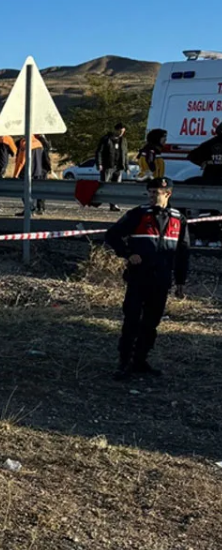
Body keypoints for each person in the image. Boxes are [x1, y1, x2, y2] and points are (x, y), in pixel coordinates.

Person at [104, 177, 189, 381]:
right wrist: (127, 253)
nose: (151, 196)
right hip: (139, 276)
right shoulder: (138, 214)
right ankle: (124, 363)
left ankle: (140, 361)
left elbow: (183, 252)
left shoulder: (179, 218)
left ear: (167, 194)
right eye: (149, 192)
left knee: (151, 322)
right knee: (132, 319)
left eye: (156, 193)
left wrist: (180, 281)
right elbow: (112, 235)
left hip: (161, 279)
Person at [96, 123, 128, 211]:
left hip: (118, 167)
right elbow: (99, 152)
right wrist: (99, 163)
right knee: (105, 184)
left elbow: (125, 154)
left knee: (116, 187)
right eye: (120, 131)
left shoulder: (123, 140)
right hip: (108, 166)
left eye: (123, 131)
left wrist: (126, 166)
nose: (121, 133)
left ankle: (113, 204)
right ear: (116, 130)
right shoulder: (106, 139)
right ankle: (97, 201)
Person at [13, 134, 48, 216]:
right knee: (33, 192)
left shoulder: (25, 143)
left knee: (24, 192)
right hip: (37, 171)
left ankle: (29, 209)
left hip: (26, 171)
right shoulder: (38, 142)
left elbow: (21, 160)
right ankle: (33, 209)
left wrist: (16, 174)